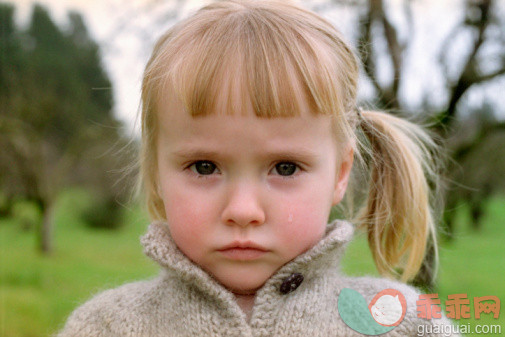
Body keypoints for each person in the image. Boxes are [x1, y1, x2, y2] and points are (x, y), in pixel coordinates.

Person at [57, 0, 461, 336]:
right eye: (204, 166)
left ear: (340, 173)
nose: (243, 210)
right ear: (157, 173)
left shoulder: (404, 323)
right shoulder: (105, 326)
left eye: (285, 168)